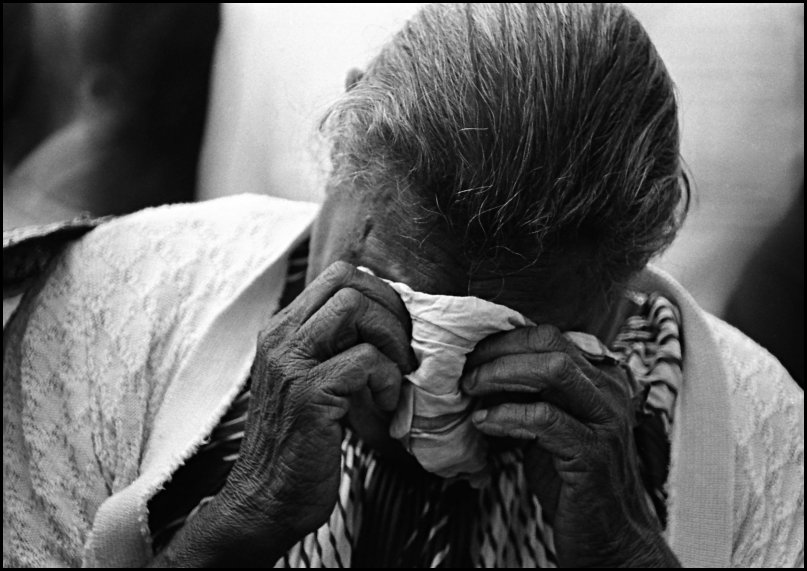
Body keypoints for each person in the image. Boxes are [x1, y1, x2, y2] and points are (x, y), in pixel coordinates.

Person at [3, 3, 802, 568]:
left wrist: (627, 552)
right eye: (387, 297)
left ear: (639, 265)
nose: (417, 391)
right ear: (341, 152)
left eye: (502, 344)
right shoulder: (111, 317)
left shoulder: (755, 434)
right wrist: (236, 525)